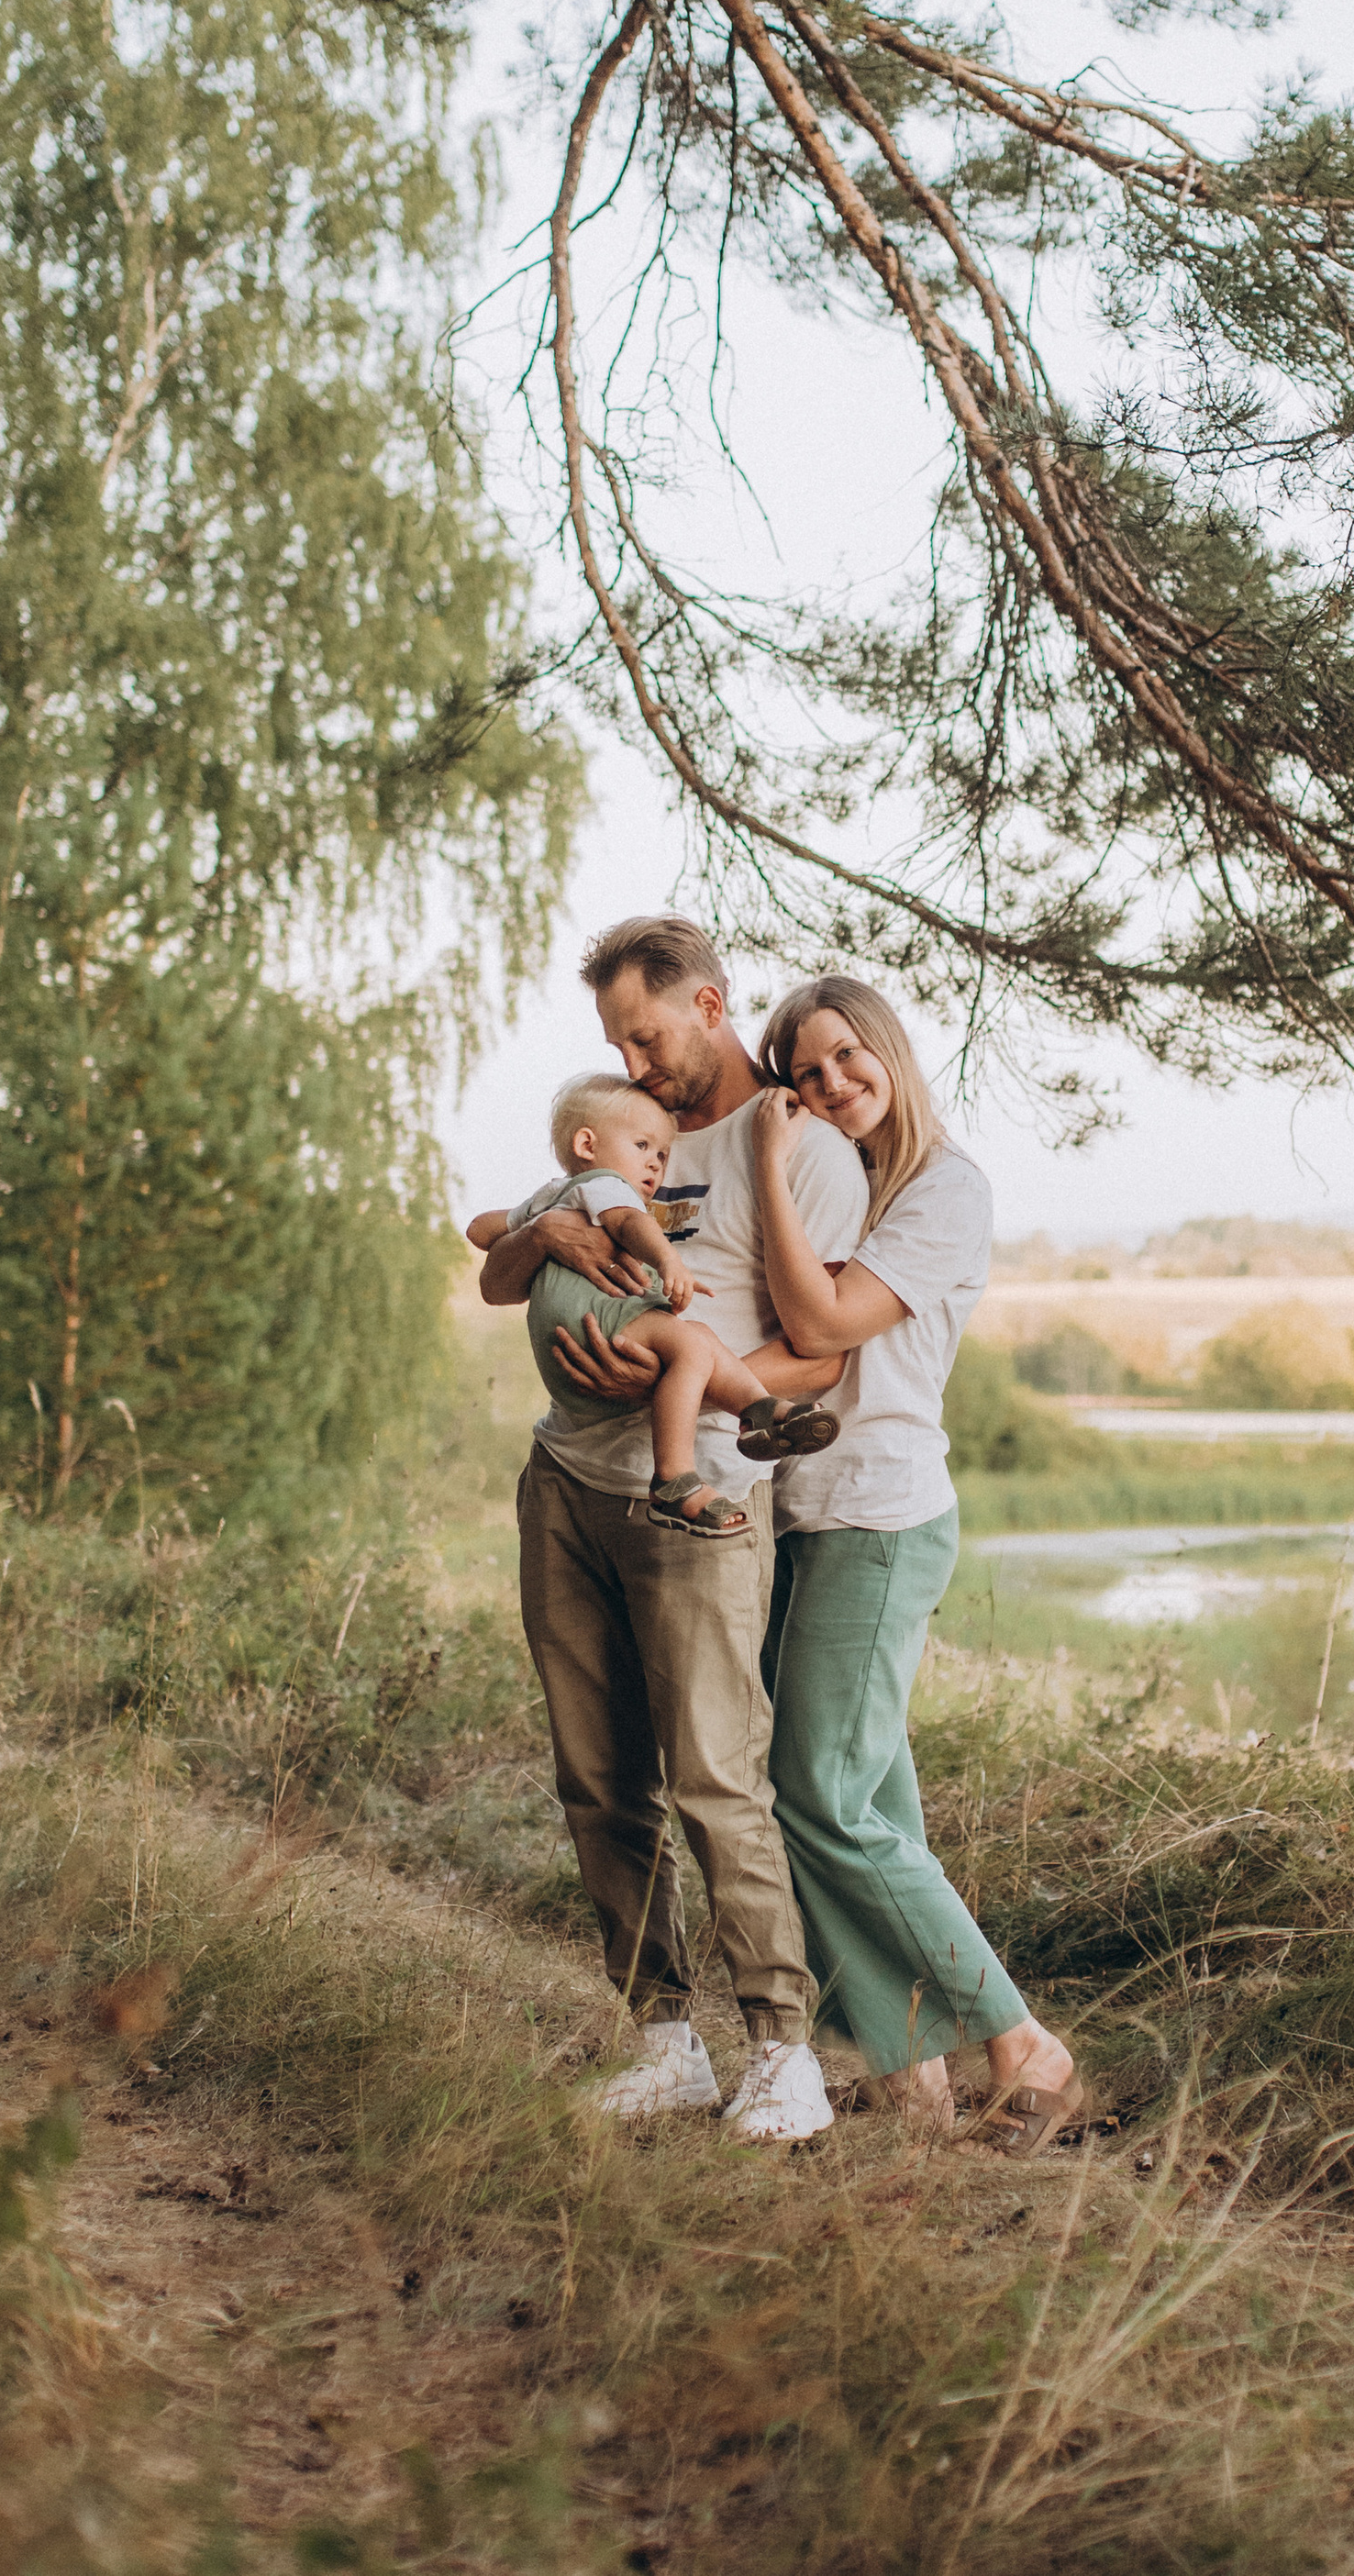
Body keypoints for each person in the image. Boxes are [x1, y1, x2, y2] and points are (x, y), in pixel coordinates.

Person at [478, 915, 867, 2143]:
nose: (634, 1064)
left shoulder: (799, 1150)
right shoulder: (615, 1137)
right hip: (564, 1484)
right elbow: (503, 1259)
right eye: (617, 1044)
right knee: (598, 1780)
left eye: (646, 1036)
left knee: (714, 1775)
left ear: (708, 1005)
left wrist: (671, 1379)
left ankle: (783, 2053)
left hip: (698, 1501)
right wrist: (542, 1232)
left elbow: (817, 1352)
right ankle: (663, 2044)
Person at [748, 973, 1085, 2148]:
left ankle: (1022, 2042)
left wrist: (765, 1166)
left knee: (818, 1795)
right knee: (865, 1802)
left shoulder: (944, 1188)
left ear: (888, 1049)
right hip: (799, 1515)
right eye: (805, 1073)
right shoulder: (836, 1182)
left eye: (848, 1055)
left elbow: (822, 1326)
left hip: (879, 1517)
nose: (833, 1082)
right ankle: (912, 2078)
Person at [464, 1071, 842, 1535]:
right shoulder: (606, 1183)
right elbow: (630, 1224)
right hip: (597, 1326)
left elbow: (480, 1230)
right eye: (642, 1146)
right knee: (692, 1348)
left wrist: (533, 1222)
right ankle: (674, 1480)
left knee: (699, 1337)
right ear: (587, 1144)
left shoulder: (553, 1195)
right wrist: (668, 1260)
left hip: (571, 1348)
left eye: (662, 1154)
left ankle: (763, 1411)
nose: (655, 1165)